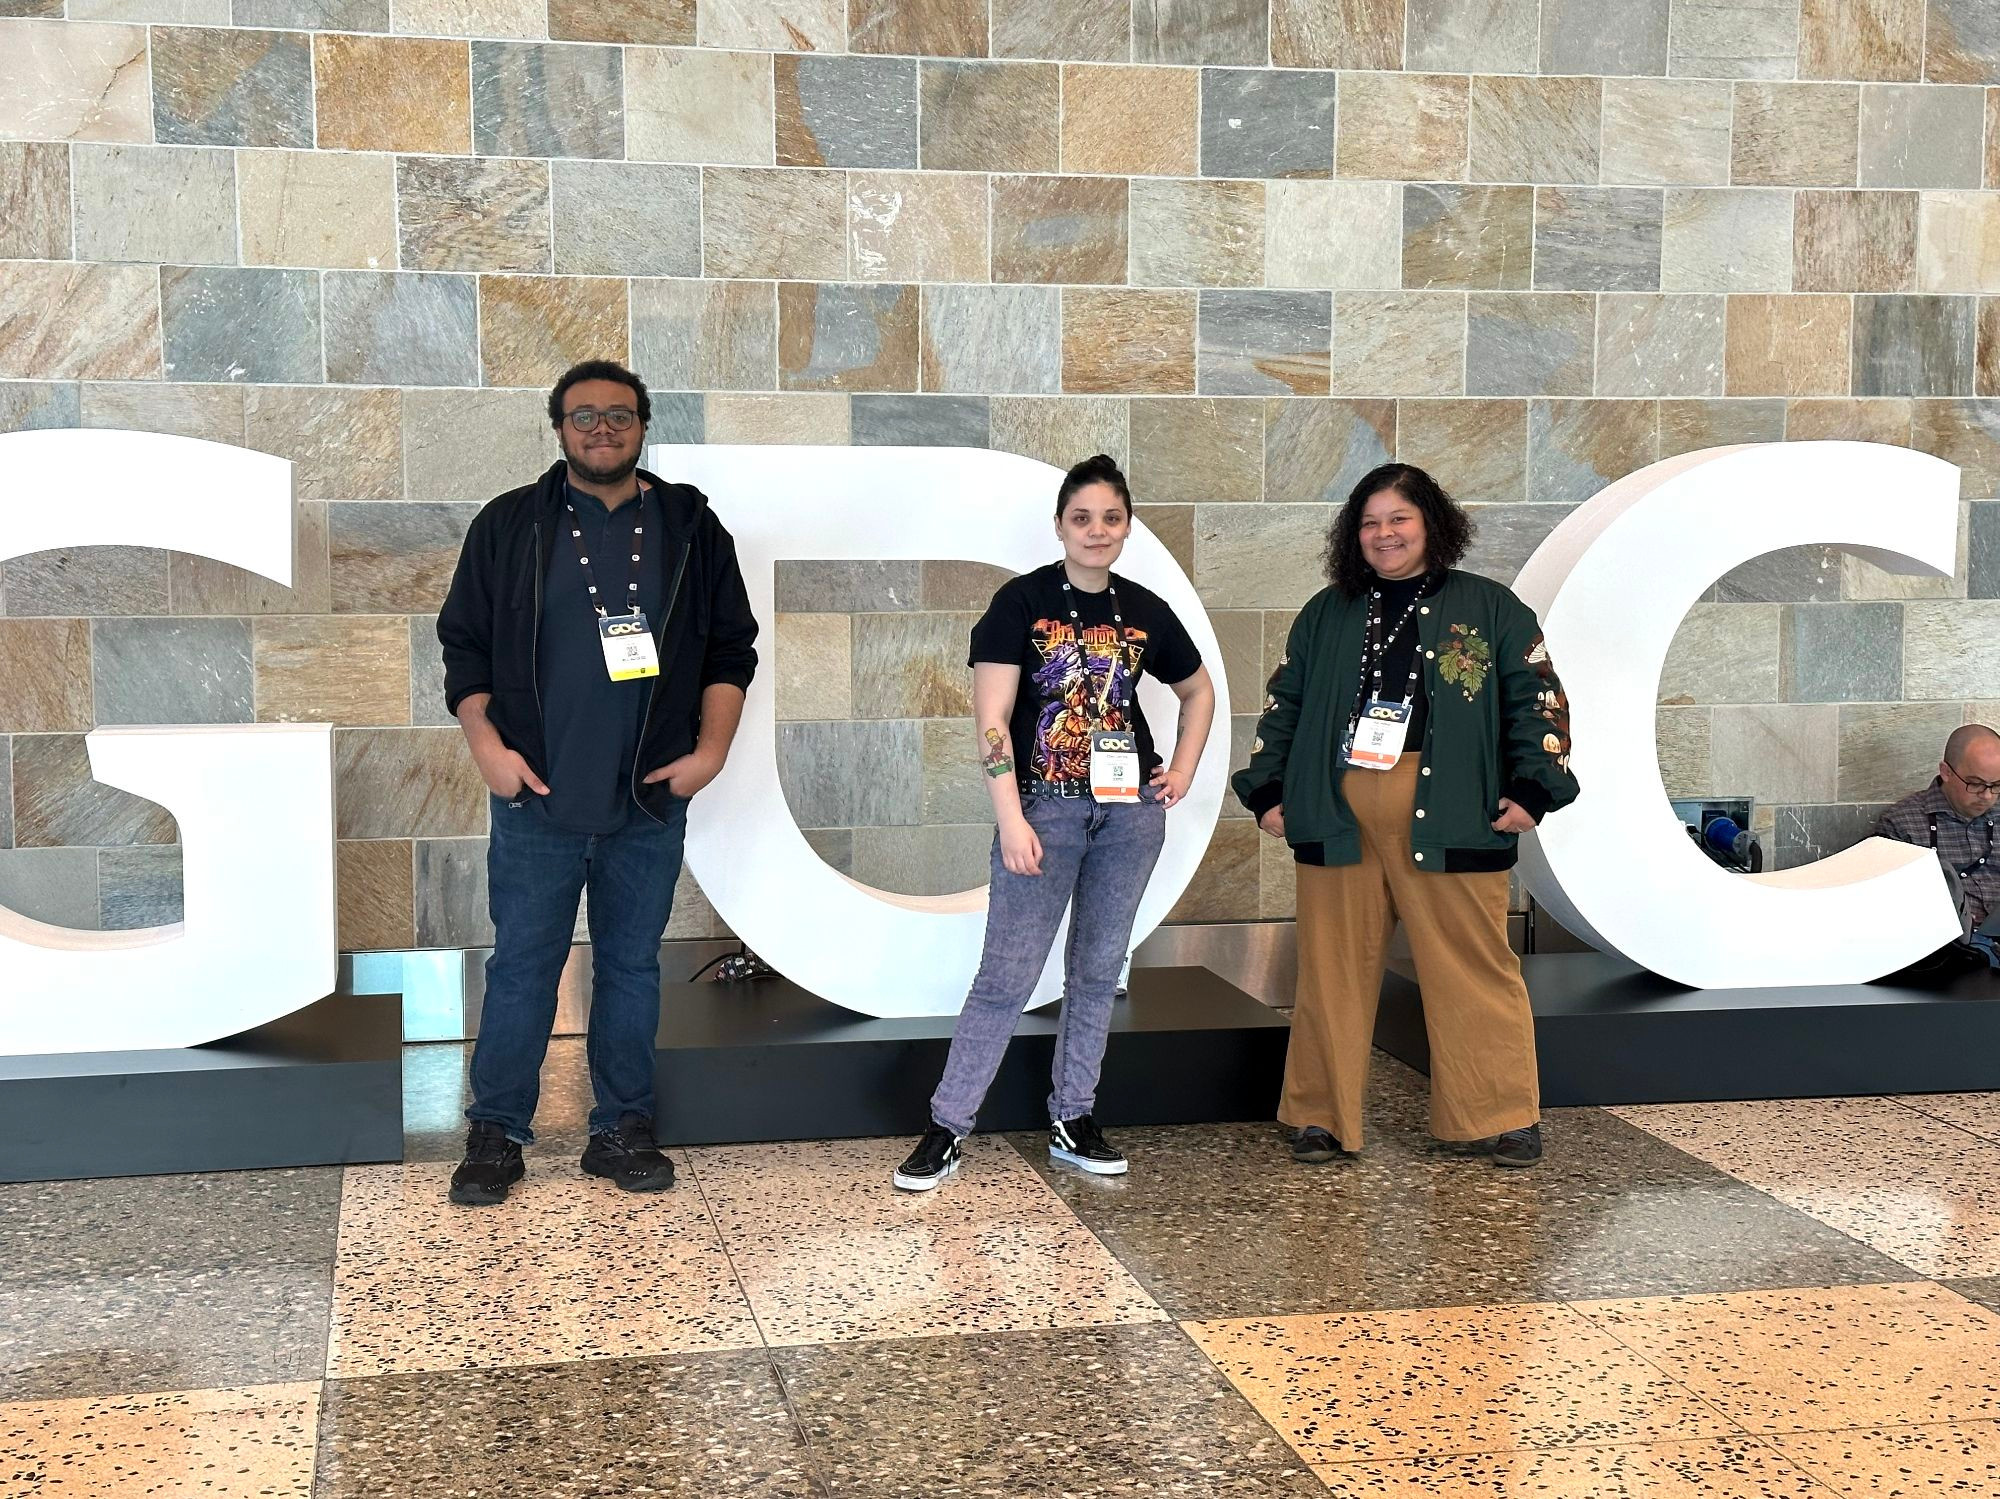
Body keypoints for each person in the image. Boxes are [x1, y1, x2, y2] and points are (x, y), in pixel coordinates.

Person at [436, 359, 758, 1206]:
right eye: (585, 416)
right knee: (521, 967)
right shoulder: (509, 525)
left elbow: (731, 649)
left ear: (644, 424)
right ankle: (497, 1130)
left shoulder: (691, 525)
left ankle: (620, 1126)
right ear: (558, 428)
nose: (602, 428)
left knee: (630, 967)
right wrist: (486, 746)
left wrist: (712, 751)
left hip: (648, 797)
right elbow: (462, 647)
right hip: (536, 794)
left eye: (620, 414)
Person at [1234, 463, 1577, 1169]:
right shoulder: (1325, 613)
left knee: (1471, 964)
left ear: (1432, 524)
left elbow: (1536, 698)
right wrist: (1267, 790)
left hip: (1453, 807)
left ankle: (1499, 1114)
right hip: (1338, 809)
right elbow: (1285, 704)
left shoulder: (1490, 608)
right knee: (1331, 968)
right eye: (1369, 522)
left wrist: (1534, 786)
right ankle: (1320, 1116)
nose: (1384, 534)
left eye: (1399, 519)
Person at [893, 455, 1216, 1191]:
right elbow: (993, 722)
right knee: (1005, 975)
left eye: (1110, 518)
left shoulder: (1144, 609)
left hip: (1129, 815)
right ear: (1060, 525)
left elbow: (1198, 692)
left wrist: (1185, 768)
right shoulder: (1019, 602)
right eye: (1082, 517)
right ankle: (947, 1126)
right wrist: (1011, 817)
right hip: (1046, 810)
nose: (1096, 530)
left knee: (1098, 972)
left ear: (1127, 526)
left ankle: (1074, 1117)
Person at [1872, 723, 2000, 969]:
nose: (1987, 796)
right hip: (1946, 956)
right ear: (1947, 772)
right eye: (1975, 784)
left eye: (1996, 785)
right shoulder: (1902, 822)